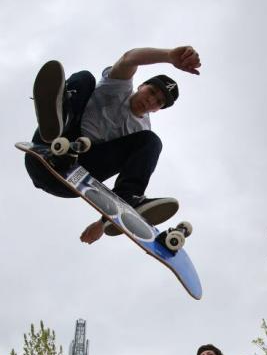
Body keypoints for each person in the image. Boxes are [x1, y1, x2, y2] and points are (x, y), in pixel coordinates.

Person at [24, 45, 201, 244]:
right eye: (151, 92)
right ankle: (58, 120)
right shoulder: (117, 86)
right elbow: (129, 58)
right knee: (84, 77)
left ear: (159, 110)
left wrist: (103, 222)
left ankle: (127, 200)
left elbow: (137, 161)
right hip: (48, 146)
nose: (150, 100)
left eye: (158, 102)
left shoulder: (141, 131)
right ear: (141, 85)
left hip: (74, 170)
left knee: (151, 142)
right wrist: (168, 56)